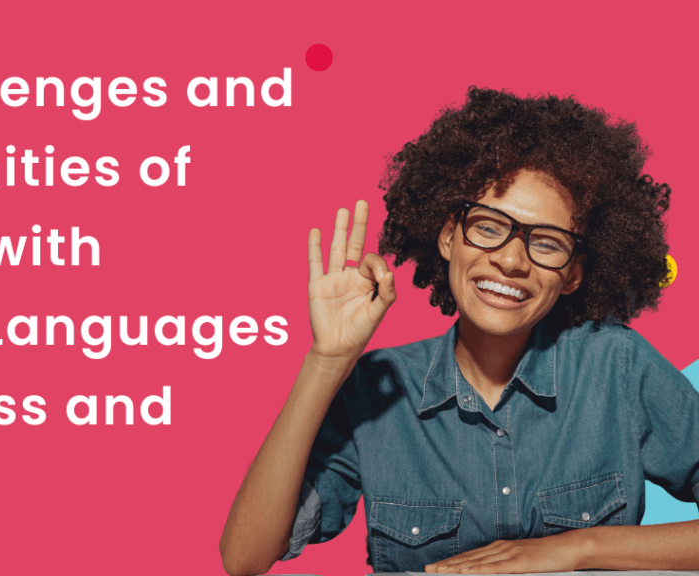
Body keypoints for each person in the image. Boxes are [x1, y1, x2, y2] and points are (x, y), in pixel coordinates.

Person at [218, 87, 699, 574]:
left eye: (548, 243)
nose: (511, 261)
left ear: (573, 273)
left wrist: (579, 547)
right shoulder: (378, 388)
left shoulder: (616, 365)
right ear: (449, 236)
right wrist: (327, 362)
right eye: (489, 227)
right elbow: (245, 558)